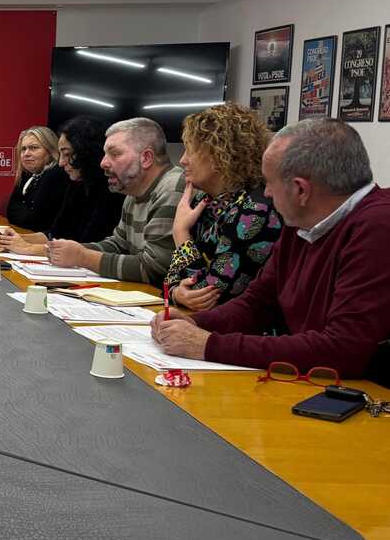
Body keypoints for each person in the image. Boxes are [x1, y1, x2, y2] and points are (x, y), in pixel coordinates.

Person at [153, 118, 390, 383]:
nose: (265, 192)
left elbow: (343, 349)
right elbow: (258, 303)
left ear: (301, 190)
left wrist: (208, 345)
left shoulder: (378, 228)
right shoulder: (302, 221)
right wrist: (198, 323)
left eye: (269, 182)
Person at [164, 104, 282, 311]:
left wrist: (180, 233)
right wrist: (175, 293)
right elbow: (169, 281)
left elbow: (209, 295)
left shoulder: (254, 211)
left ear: (219, 154)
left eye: (190, 150)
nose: (182, 160)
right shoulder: (205, 201)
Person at [46, 117, 186, 284]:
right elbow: (119, 245)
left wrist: (83, 256)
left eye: (115, 154)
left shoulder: (171, 188)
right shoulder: (133, 192)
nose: (103, 163)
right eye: (105, 154)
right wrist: (69, 250)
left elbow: (154, 269)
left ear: (146, 158)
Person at [0, 117, 124, 254]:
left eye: (67, 154)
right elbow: (56, 233)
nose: (61, 163)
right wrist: (16, 239)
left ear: (87, 151)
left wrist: (28, 248)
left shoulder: (112, 190)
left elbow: (88, 245)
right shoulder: (77, 184)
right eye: (23, 149)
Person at [4, 126, 68, 232]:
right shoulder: (26, 175)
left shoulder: (55, 174)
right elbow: (11, 212)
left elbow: (35, 221)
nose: (26, 154)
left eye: (33, 148)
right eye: (23, 149)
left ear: (50, 151)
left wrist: (22, 210)